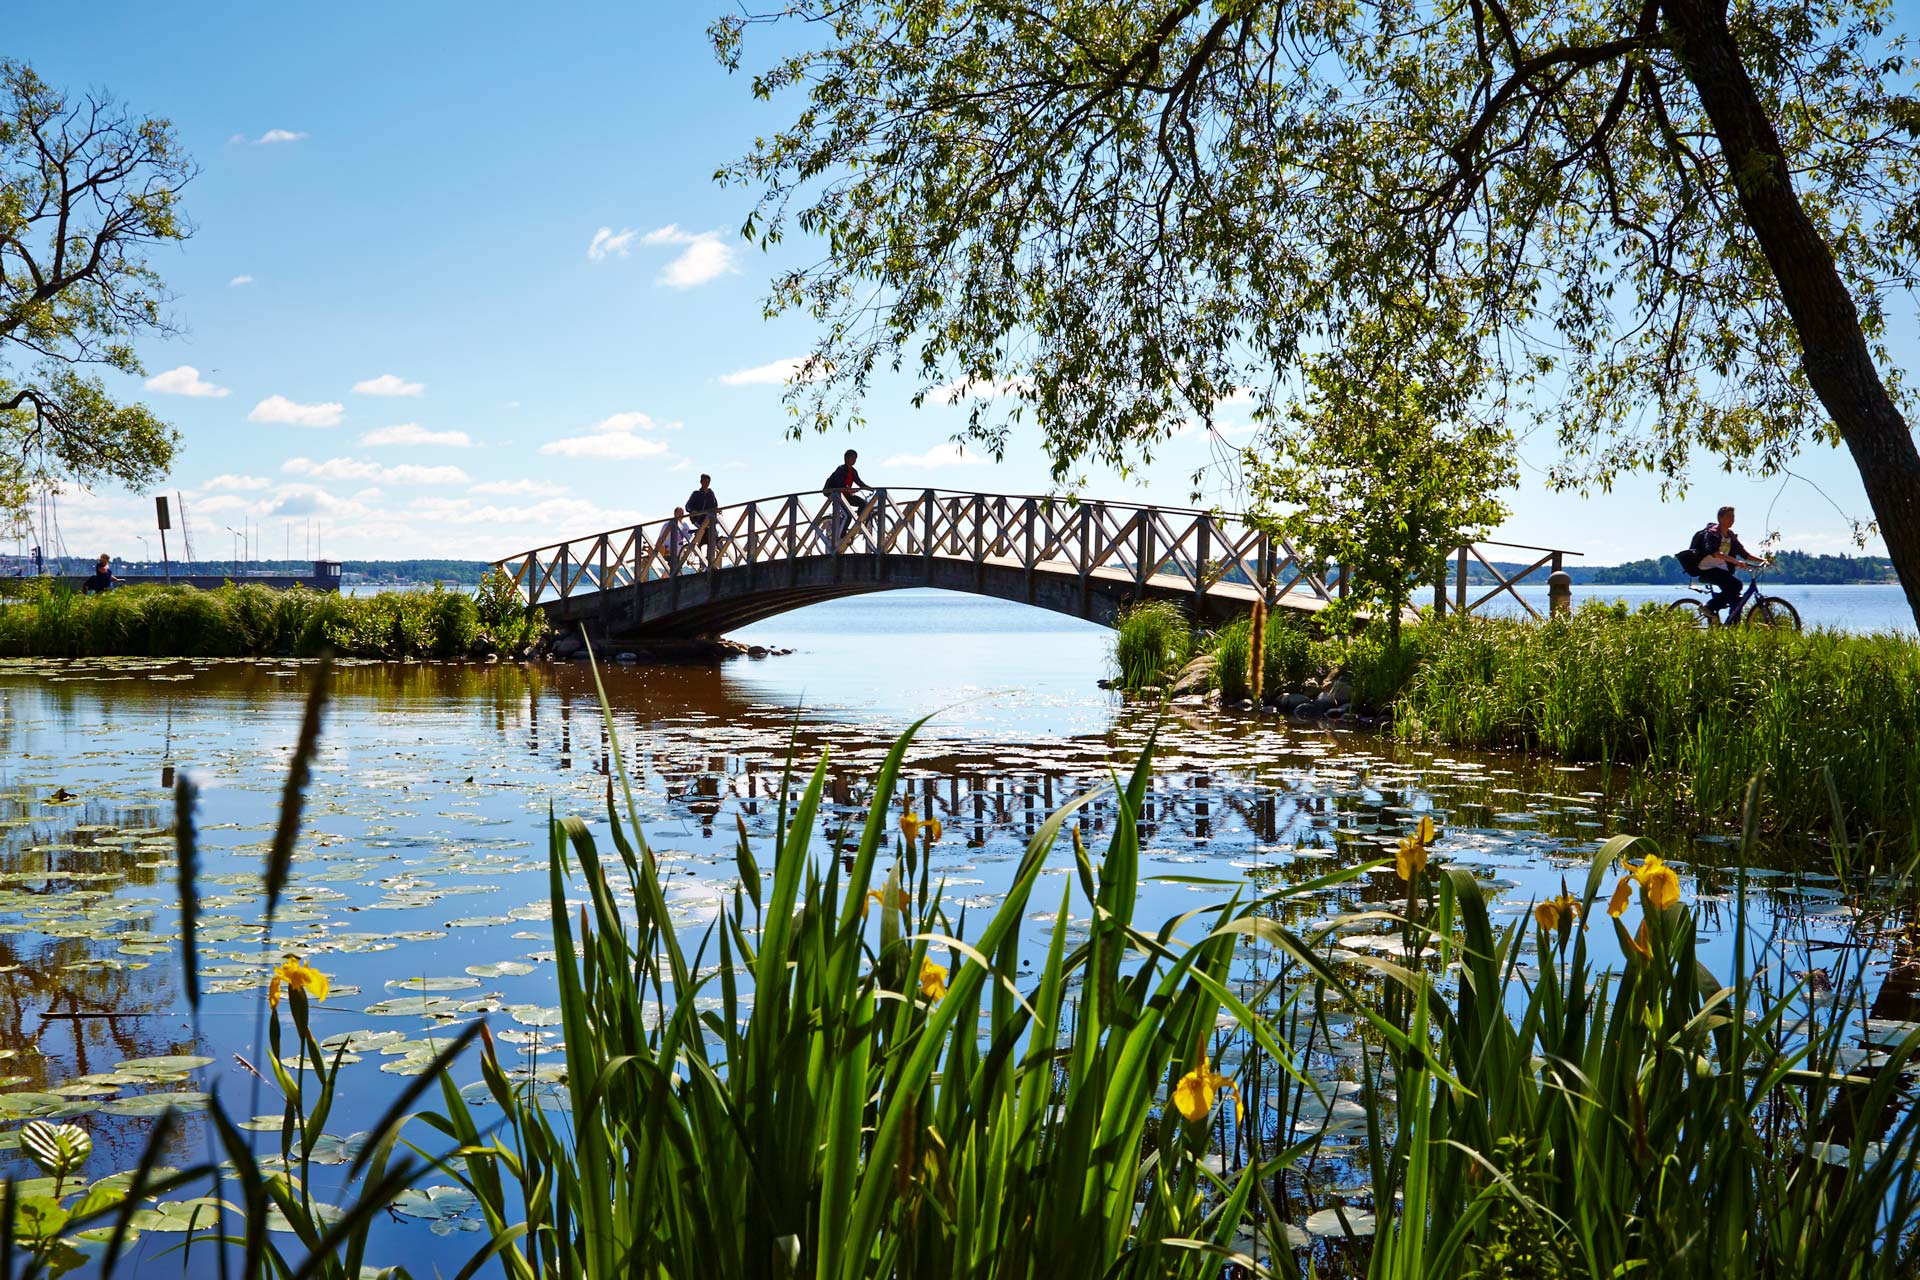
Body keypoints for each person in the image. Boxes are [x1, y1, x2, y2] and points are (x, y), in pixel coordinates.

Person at [1686, 505, 1765, 617]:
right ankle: (1708, 607)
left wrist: (1763, 560)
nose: (1732, 519)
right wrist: (1736, 562)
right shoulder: (1712, 533)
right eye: (1729, 516)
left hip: (1722, 570)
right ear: (1720, 518)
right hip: (1707, 568)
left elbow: (1744, 554)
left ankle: (1732, 627)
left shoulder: (1730, 535)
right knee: (1736, 585)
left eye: (1733, 517)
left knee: (1736, 599)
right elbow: (1714, 552)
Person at [823, 448, 873, 539]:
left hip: (846, 495)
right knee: (848, 515)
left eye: (855, 458)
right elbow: (840, 483)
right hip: (837, 496)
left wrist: (870, 489)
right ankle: (840, 537)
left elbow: (859, 482)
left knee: (864, 504)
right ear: (846, 458)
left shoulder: (853, 471)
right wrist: (849, 489)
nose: (854, 460)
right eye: (853, 458)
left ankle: (858, 522)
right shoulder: (840, 469)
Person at [686, 474, 720, 565]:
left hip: (709, 519)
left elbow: (715, 505)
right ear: (701, 482)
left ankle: (710, 558)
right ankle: (699, 553)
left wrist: (717, 510)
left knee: (713, 535)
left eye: (708, 482)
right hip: (699, 519)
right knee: (703, 532)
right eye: (705, 481)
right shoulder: (696, 494)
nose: (706, 483)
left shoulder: (711, 493)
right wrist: (692, 511)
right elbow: (688, 506)